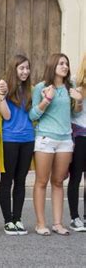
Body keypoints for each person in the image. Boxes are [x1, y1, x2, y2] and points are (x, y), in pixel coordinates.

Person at [29, 53, 83, 236]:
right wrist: (47, 100)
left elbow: (74, 115)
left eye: (66, 64)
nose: (65, 66)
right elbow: (33, 115)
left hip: (65, 139)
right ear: (52, 65)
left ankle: (58, 223)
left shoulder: (71, 87)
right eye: (61, 63)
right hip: (46, 138)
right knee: (42, 181)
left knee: (59, 182)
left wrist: (79, 101)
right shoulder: (41, 87)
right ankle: (40, 223)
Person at [0, 55, 35, 236]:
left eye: (27, 68)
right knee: (7, 180)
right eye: (21, 68)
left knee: (21, 180)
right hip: (10, 140)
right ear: (14, 69)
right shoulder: (5, 89)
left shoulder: (31, 90)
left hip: (28, 139)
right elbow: (7, 116)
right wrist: (2, 97)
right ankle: (8, 221)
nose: (25, 71)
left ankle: (17, 219)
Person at [67, 53, 86, 232]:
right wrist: (79, 101)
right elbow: (75, 113)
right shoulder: (75, 82)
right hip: (80, 135)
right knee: (76, 177)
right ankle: (75, 217)